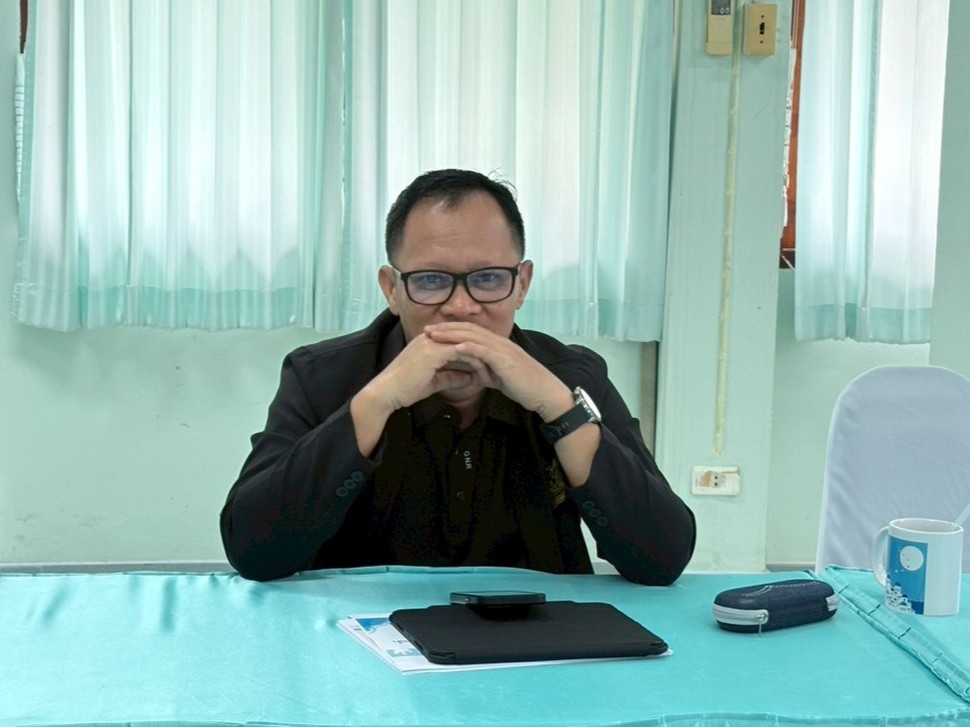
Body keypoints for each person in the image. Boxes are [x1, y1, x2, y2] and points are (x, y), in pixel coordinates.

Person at [220, 168, 696, 585]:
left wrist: (560, 411)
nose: (462, 307)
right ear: (392, 289)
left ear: (522, 285)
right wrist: (374, 404)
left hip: (538, 638)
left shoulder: (570, 377)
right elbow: (253, 552)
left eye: (488, 279)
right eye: (431, 280)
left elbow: (662, 559)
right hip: (360, 637)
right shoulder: (321, 375)